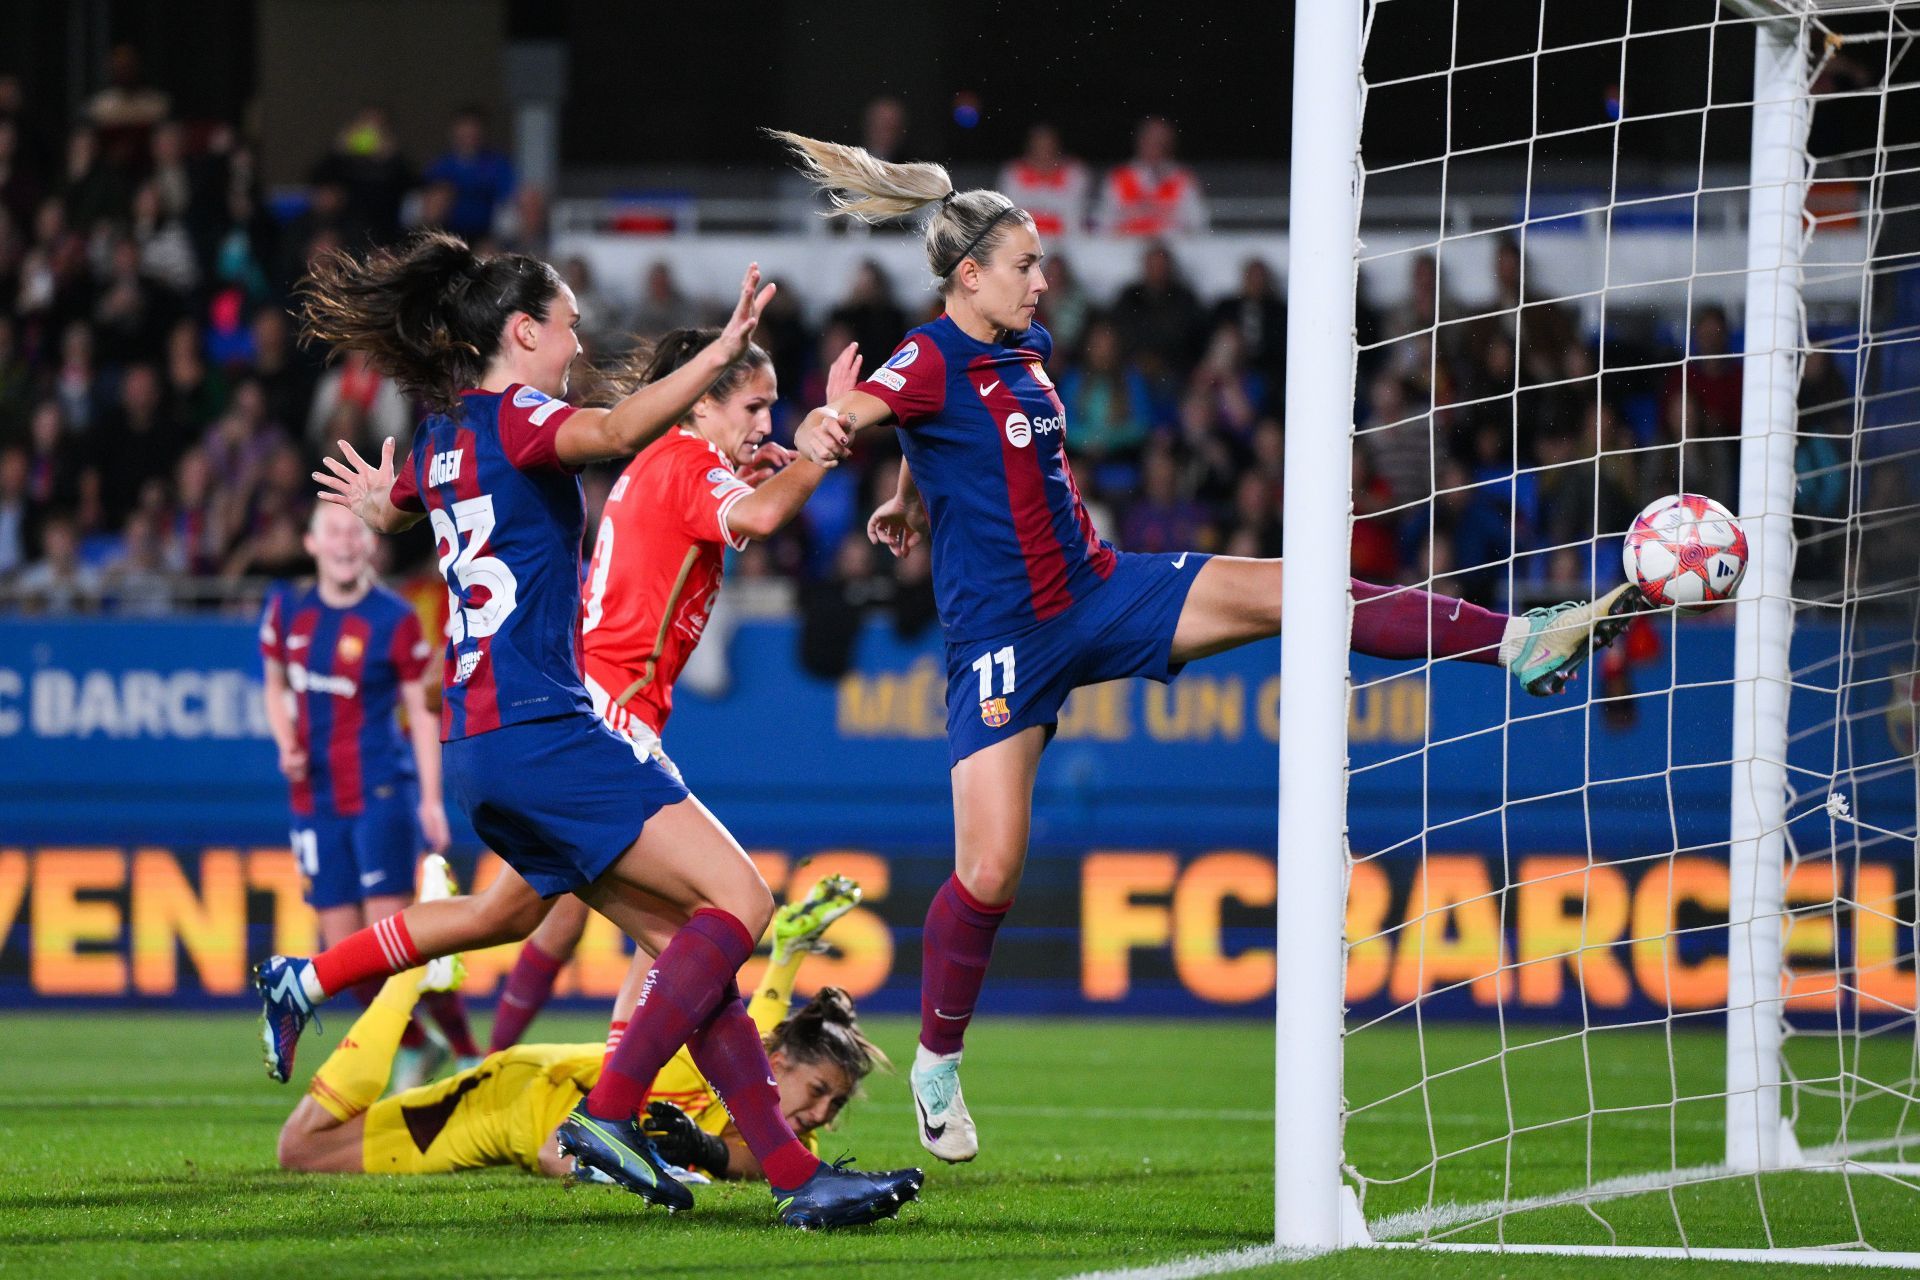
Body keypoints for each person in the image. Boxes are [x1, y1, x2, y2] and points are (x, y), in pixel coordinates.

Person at [768, 128, 1641, 1165]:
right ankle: (937, 1061)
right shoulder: (930, 350)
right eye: (1026, 265)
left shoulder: (1026, 351)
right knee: (992, 869)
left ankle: (1522, 639)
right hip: (1002, 642)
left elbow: (933, 433)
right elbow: (870, 407)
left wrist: (910, 499)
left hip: (1100, 589)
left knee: (1300, 587)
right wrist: (832, 424)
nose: (1045, 280)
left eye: (1042, 261)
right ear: (968, 277)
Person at [254, 229, 918, 1227]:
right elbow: (611, 437)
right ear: (522, 330)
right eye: (565, 327)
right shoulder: (524, 416)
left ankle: (795, 1175)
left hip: (486, 745)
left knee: (666, 948)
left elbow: (409, 504)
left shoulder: (444, 435)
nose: (576, 346)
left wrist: (380, 504)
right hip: (553, 726)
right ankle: (606, 1111)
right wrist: (726, 349)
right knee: (741, 899)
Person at [490, 328, 863, 1051]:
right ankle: (610, 1100)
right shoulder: (687, 462)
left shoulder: (666, 460)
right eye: (755, 406)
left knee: (513, 914)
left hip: (598, 706)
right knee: (722, 909)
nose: (766, 424)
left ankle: (314, 981)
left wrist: (768, 467)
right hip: (608, 716)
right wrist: (817, 450)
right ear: (699, 405)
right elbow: (755, 516)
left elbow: (727, 509)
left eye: (774, 408)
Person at [277, 882, 880, 1186]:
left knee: (303, 1150)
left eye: (836, 1103)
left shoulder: (778, 1126)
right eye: (821, 1089)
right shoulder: (707, 1056)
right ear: (778, 1056)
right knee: (300, 1149)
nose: (823, 1112)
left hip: (511, 1127)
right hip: (507, 1099)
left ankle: (420, 969)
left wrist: (704, 1152)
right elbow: (554, 1152)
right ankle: (408, 976)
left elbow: (755, 1160)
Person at [259, 501, 478, 1083]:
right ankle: (417, 1043)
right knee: (341, 955)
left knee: (394, 938)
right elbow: (275, 682)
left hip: (382, 793)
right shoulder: (286, 611)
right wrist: (285, 741)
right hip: (314, 799)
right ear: (311, 543)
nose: (345, 542)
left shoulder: (395, 618)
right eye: (333, 531)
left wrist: (432, 799)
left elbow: (422, 712)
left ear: (371, 544)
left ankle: (465, 1049)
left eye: (355, 531)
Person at [1094, 116, 1208, 237]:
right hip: (1127, 247)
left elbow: (1198, 222)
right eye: (1150, 140)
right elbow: (1103, 221)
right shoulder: (1119, 177)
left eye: (1161, 142)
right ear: (1140, 141)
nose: (1155, 146)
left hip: (1168, 248)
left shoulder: (1183, 179)